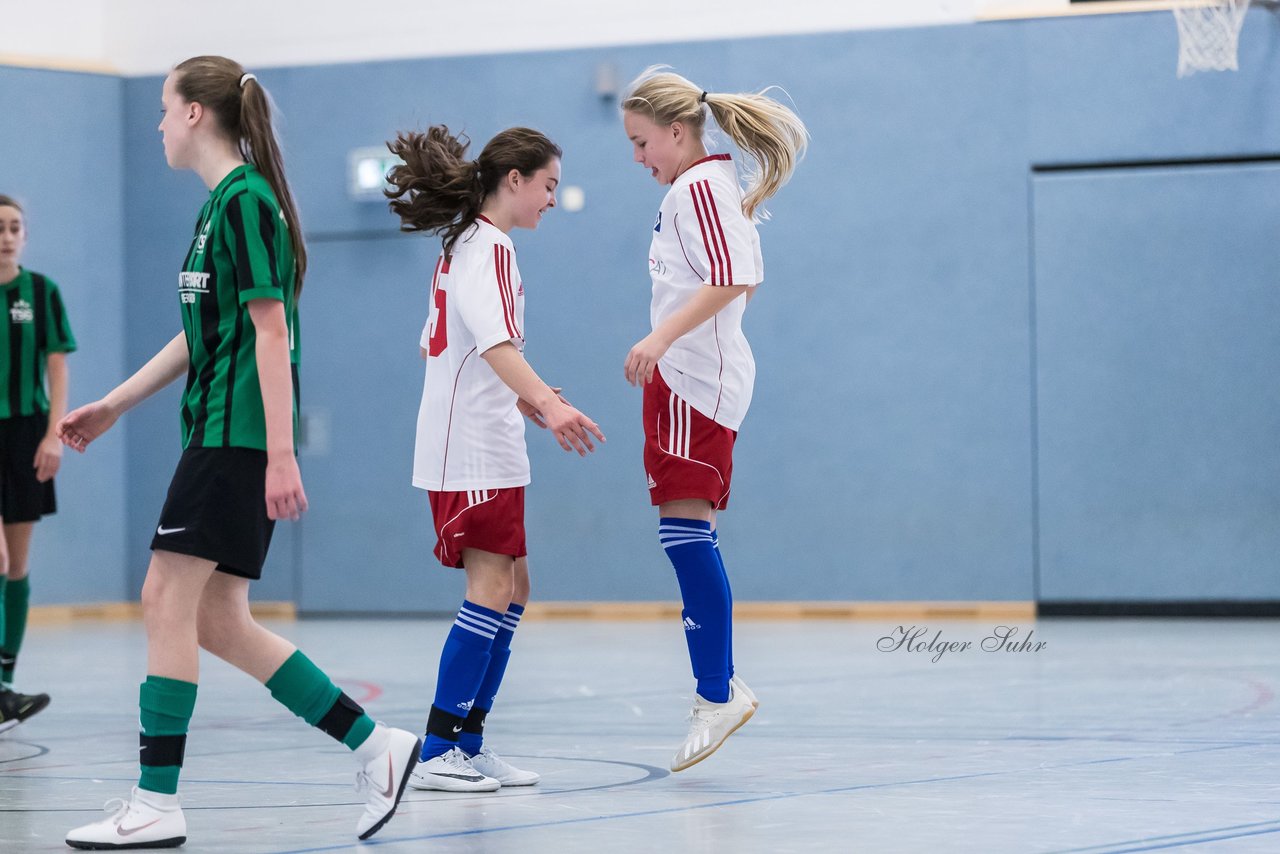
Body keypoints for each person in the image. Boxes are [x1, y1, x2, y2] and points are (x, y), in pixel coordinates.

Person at [59, 56, 418, 848]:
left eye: (163, 108)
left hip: (237, 437)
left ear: (195, 115)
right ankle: (377, 747)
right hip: (219, 432)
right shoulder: (219, 208)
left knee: (163, 595)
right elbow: (205, 334)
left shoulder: (248, 202)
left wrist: (281, 454)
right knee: (218, 620)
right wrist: (116, 404)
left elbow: (270, 331)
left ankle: (156, 800)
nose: (156, 123)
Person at [384, 125, 603, 793]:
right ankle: (439, 745)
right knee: (490, 589)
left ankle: (470, 741)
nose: (551, 200)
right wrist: (546, 403)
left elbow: (449, 348)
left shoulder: (465, 247)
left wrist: (528, 401)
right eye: (548, 187)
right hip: (471, 451)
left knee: (515, 588)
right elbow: (494, 347)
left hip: (488, 442)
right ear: (515, 180)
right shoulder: (492, 247)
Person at [620, 67, 807, 771]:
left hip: (689, 384)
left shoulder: (699, 187)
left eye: (642, 143)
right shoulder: (702, 188)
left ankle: (715, 692)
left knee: (685, 535)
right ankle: (717, 686)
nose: (638, 158)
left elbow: (732, 281)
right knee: (686, 534)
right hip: (690, 380)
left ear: (676, 132)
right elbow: (742, 281)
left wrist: (663, 338)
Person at [0, 194, 75, 733]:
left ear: (26, 234)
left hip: (26, 434)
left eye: (14, 226)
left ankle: (5, 688)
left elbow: (57, 371)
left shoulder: (42, 293)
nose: (6, 235)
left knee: (17, 567)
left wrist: (54, 434)